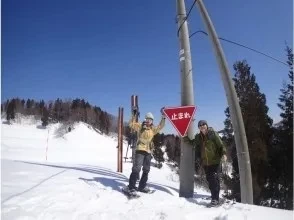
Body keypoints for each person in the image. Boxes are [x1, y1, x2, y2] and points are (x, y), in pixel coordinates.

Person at [185, 120, 227, 206]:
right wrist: (185, 137)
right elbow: (193, 143)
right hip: (206, 163)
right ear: (199, 128)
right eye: (200, 125)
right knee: (210, 180)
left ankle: (215, 199)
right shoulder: (198, 137)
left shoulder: (213, 134)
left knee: (214, 180)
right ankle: (214, 197)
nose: (202, 126)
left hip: (215, 161)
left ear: (206, 125)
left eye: (203, 124)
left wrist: (224, 154)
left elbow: (221, 145)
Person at [126, 107, 166, 194]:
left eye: (150, 120)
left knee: (146, 169)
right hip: (140, 149)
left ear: (152, 121)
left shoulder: (153, 129)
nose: (149, 121)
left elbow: (161, 126)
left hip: (148, 151)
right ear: (145, 119)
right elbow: (131, 124)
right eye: (147, 119)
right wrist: (134, 114)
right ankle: (131, 187)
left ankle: (142, 186)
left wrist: (163, 117)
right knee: (136, 168)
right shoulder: (140, 126)